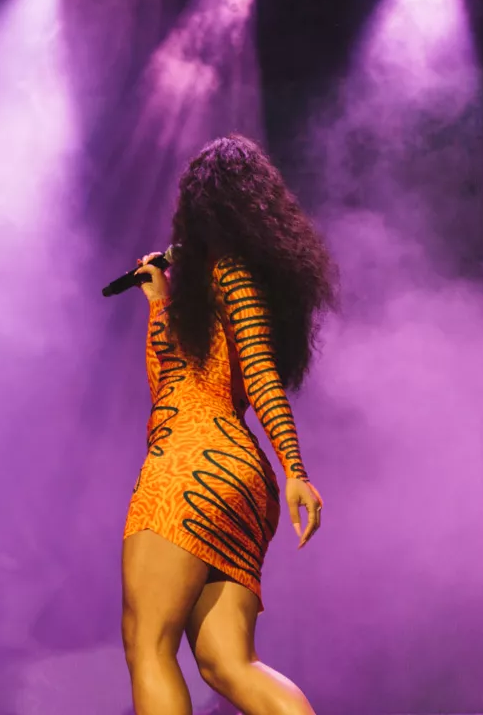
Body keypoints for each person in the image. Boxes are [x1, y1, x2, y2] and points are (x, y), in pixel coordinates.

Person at [122, 134, 336, 715]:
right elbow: (169, 388)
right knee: (226, 661)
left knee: (148, 643)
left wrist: (297, 469)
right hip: (237, 478)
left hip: (189, 467)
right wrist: (158, 302)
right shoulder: (223, 284)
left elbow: (260, 377)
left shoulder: (230, 273)